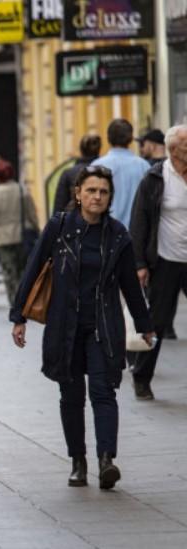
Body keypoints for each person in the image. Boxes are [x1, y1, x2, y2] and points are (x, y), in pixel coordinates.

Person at [11, 165, 153, 490]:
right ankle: (78, 460)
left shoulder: (117, 235)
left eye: (103, 192)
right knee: (71, 395)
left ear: (109, 197)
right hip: (65, 326)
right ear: (78, 193)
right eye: (91, 190)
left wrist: (144, 326)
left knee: (104, 392)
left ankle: (106, 460)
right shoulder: (60, 226)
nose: (97, 197)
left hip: (103, 325)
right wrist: (18, 316)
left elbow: (131, 285)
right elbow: (33, 268)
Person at [129, 125, 187, 401]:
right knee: (158, 322)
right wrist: (139, 262)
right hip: (165, 259)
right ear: (174, 149)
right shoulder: (155, 177)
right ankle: (141, 377)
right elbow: (139, 222)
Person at [0, 159, 39, 307]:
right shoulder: (22, 191)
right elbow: (32, 215)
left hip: (1, 240)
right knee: (23, 271)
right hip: (22, 237)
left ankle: (15, 302)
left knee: (8, 273)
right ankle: (23, 300)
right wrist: (39, 232)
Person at [91, 118, 151, 229]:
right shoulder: (144, 166)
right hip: (137, 233)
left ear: (108, 138)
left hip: (106, 233)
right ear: (131, 138)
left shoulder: (97, 166)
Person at [53, 134, 102, 213]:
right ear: (98, 150)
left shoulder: (68, 173)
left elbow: (59, 206)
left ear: (81, 150)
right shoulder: (104, 171)